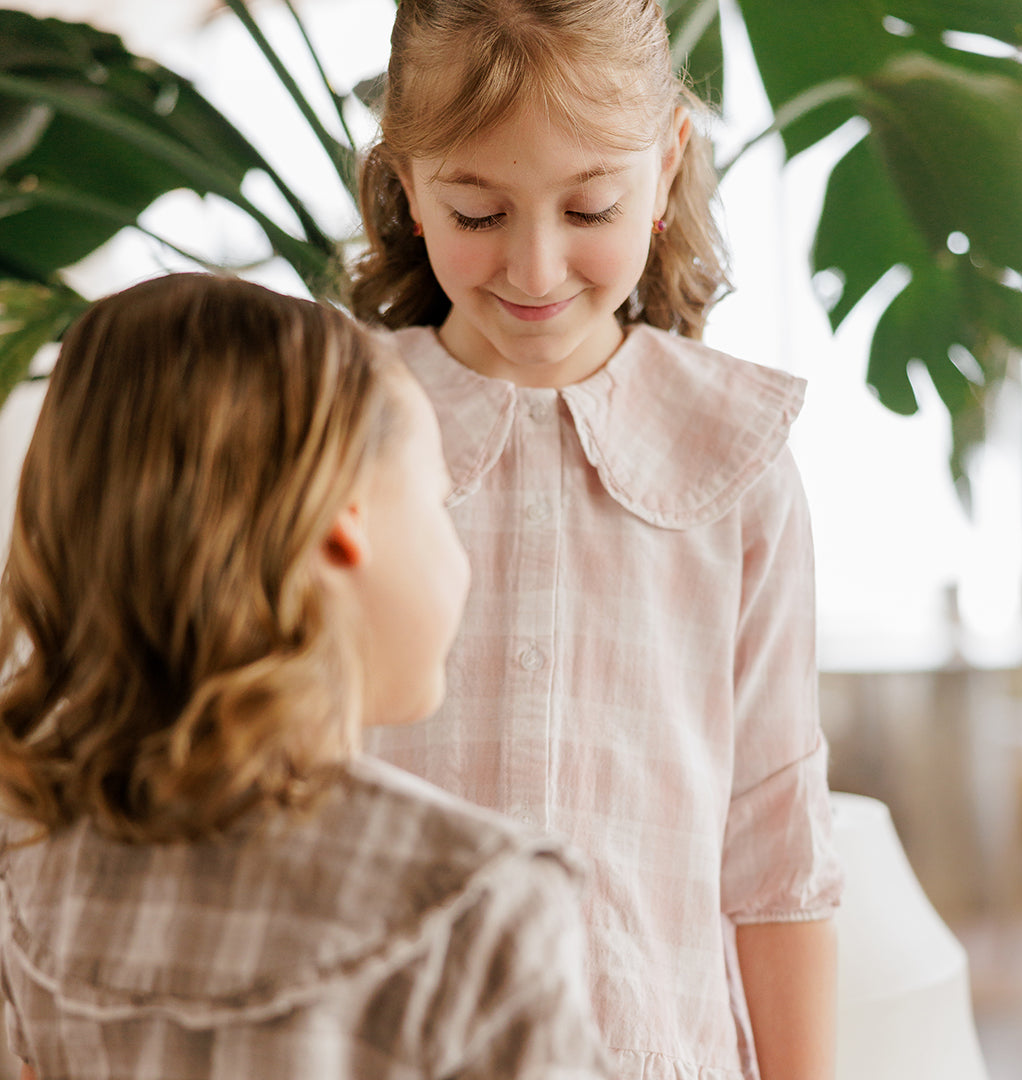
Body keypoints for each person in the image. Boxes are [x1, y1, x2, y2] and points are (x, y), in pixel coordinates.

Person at [350, 2, 844, 1079]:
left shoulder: (739, 462)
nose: (534, 271)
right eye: (477, 212)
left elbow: (777, 852)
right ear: (405, 182)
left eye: (590, 208)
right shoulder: (332, 427)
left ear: (666, 168)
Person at [0, 273, 610, 1080]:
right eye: (437, 500)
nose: (456, 553)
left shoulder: (37, 853)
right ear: (343, 523)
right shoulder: (475, 905)